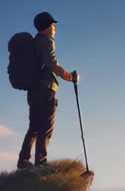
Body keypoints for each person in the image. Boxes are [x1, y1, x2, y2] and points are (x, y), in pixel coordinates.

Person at [18, 11, 79, 169]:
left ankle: (23, 161)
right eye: (53, 25)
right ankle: (41, 163)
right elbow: (52, 63)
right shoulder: (46, 41)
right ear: (47, 27)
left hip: (33, 90)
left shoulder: (34, 42)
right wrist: (70, 77)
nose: (55, 28)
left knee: (34, 127)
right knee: (45, 127)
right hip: (45, 89)